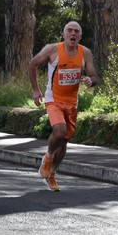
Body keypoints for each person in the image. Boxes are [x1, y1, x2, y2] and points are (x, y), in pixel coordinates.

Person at [29, 21, 99, 191]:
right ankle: (48, 157)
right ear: (64, 34)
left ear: (80, 37)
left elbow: (94, 76)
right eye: (69, 30)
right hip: (54, 99)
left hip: (72, 102)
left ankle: (51, 174)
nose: (73, 34)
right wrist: (36, 90)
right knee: (59, 131)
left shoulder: (85, 53)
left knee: (65, 140)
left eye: (76, 31)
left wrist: (91, 81)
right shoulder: (52, 49)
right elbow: (32, 64)